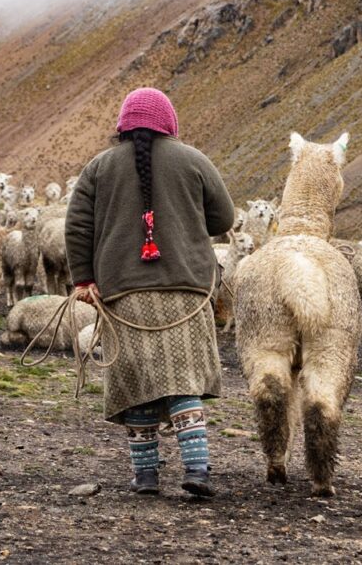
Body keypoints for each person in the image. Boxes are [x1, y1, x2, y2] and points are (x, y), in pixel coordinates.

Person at [65, 87, 235, 497]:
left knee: (135, 383)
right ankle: (197, 471)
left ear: (123, 127)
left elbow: (77, 227)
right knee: (182, 380)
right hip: (187, 290)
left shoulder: (99, 167)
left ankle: (146, 478)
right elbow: (223, 218)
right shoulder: (193, 159)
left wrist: (84, 280)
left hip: (123, 293)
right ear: (169, 123)